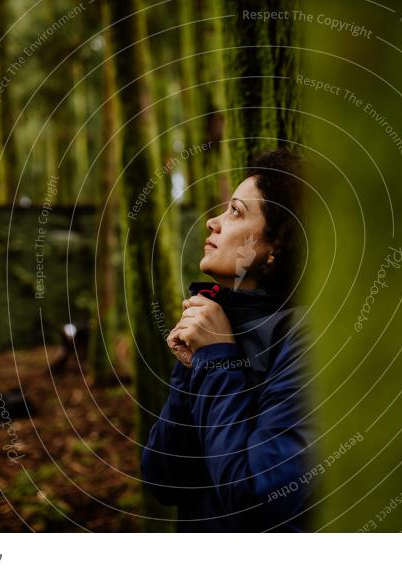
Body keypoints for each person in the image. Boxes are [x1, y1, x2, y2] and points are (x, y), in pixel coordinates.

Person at [140, 149, 318, 532]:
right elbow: (161, 477)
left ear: (276, 245)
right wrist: (196, 367)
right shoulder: (216, 321)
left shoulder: (307, 341)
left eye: (236, 211)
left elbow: (260, 499)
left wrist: (220, 360)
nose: (211, 222)